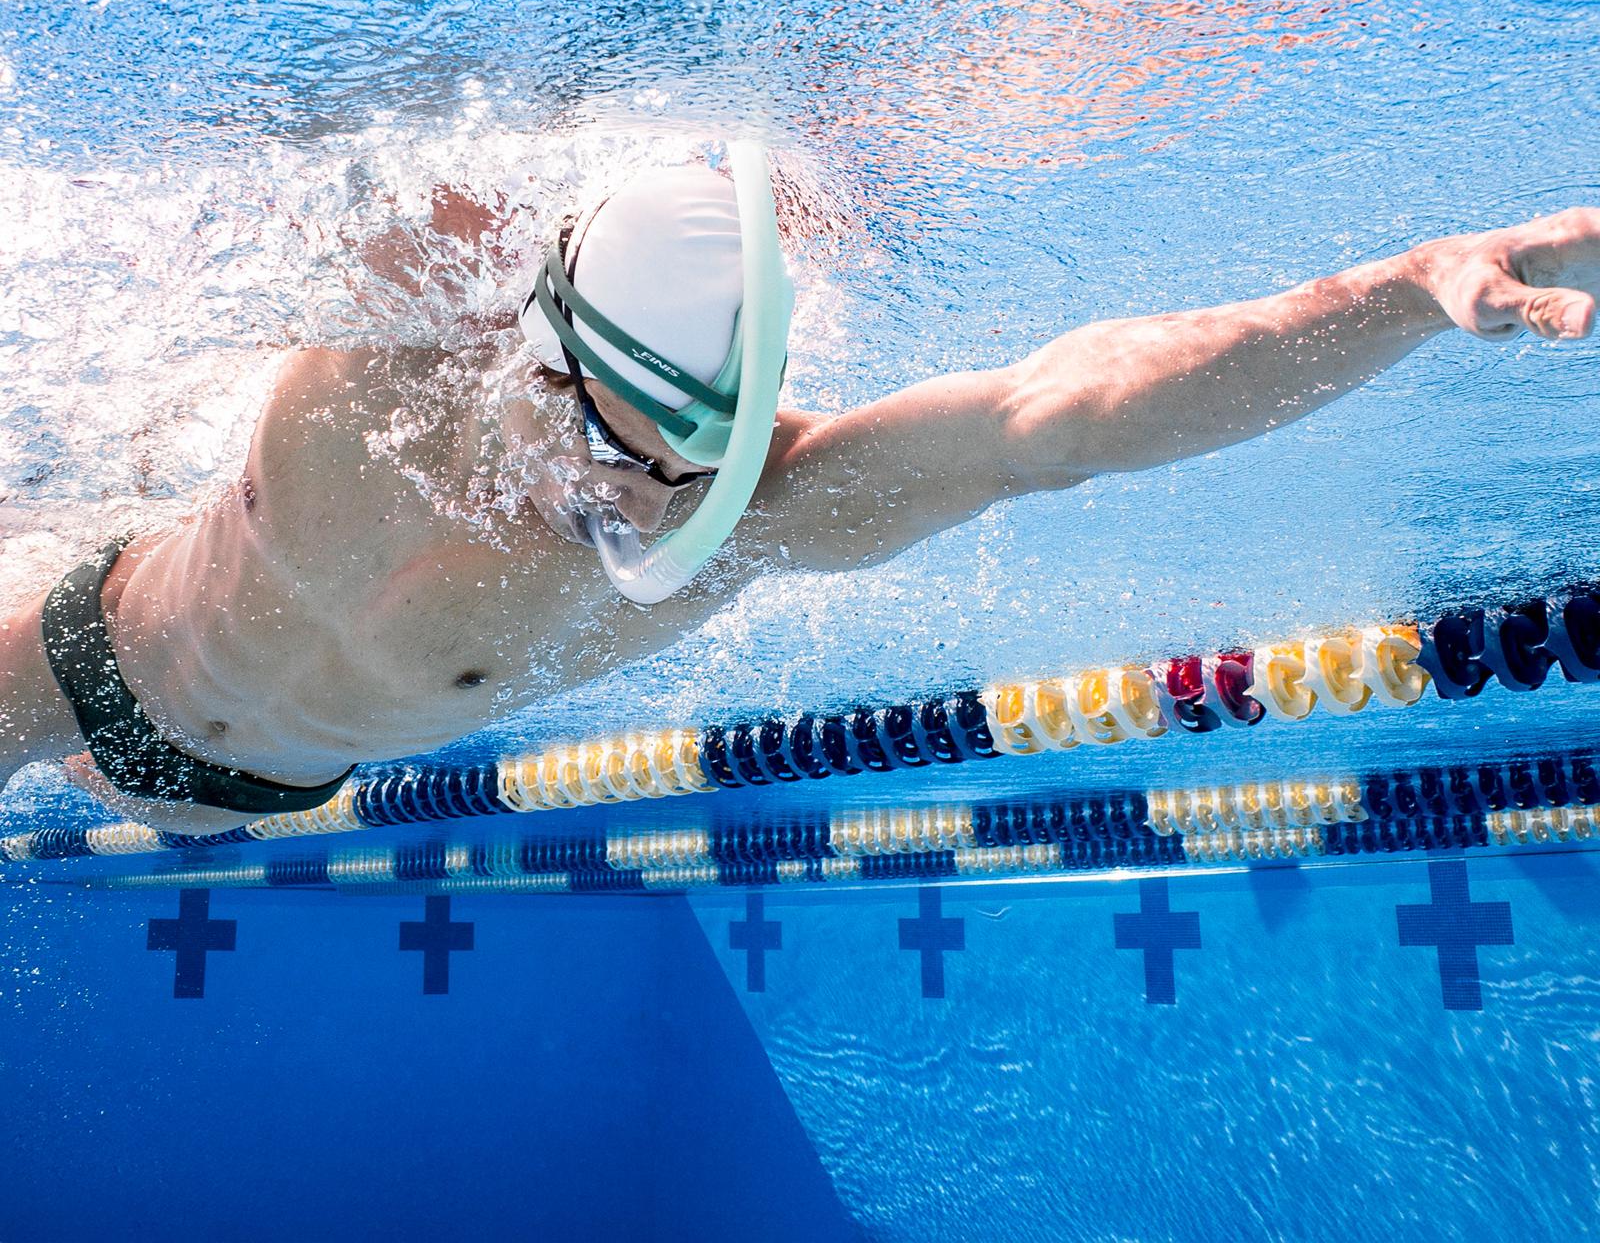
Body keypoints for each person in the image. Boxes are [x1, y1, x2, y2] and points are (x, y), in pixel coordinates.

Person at [1, 139, 1597, 835]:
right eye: (565, 398)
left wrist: (1398, 291)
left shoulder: (750, 518)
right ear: (537, 321)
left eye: (641, 457)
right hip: (77, 647)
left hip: (249, 801)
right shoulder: (422, 308)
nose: (581, 465)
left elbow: (1070, 411)